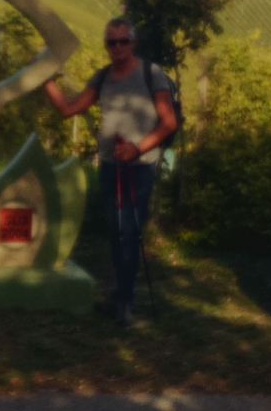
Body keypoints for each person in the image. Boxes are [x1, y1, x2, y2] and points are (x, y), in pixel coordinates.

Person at [42, 18, 177, 326]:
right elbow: (69, 109)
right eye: (111, 42)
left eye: (123, 41)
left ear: (133, 43)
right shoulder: (103, 76)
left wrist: (137, 149)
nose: (117, 47)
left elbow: (169, 123)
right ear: (106, 45)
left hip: (140, 168)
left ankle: (125, 303)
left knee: (129, 233)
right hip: (110, 166)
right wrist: (44, 79)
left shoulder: (151, 73)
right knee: (117, 233)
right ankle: (119, 299)